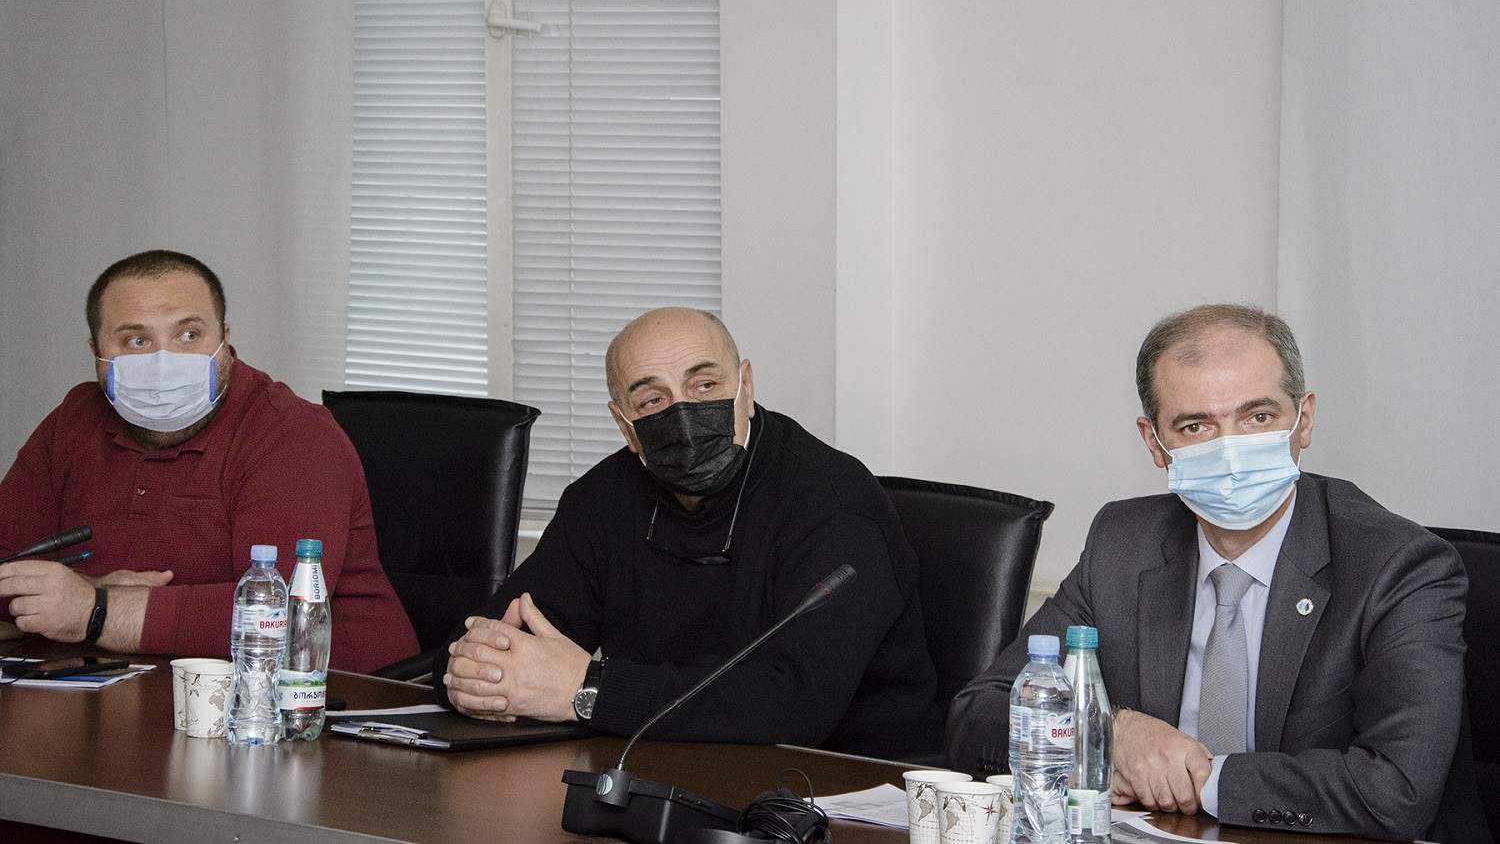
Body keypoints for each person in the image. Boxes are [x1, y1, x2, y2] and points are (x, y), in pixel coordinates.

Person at [947, 303, 1487, 842]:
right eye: (1196, 425)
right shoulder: (1123, 542)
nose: (1231, 450)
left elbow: (1398, 788)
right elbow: (979, 712)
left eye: (1258, 417)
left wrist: (1202, 780)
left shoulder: (1398, 564)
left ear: (1304, 419)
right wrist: (1113, 732)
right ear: (1154, 443)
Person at [437, 307, 943, 762]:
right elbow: (477, 646)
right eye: (653, 399)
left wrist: (589, 689)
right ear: (625, 426)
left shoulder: (835, 506)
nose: (682, 415)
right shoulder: (602, 499)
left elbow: (795, 705)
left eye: (704, 386)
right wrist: (479, 674)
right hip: (657, 769)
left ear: (747, 388)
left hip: (846, 790)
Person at [0, 250, 418, 674]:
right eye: (136, 341)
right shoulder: (74, 419)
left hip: (339, 693)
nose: (164, 363)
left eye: (189, 335)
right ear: (97, 351)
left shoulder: (291, 432)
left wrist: (96, 611)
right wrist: (86, 590)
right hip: (133, 684)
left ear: (223, 338)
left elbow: (278, 614)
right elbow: (5, 565)